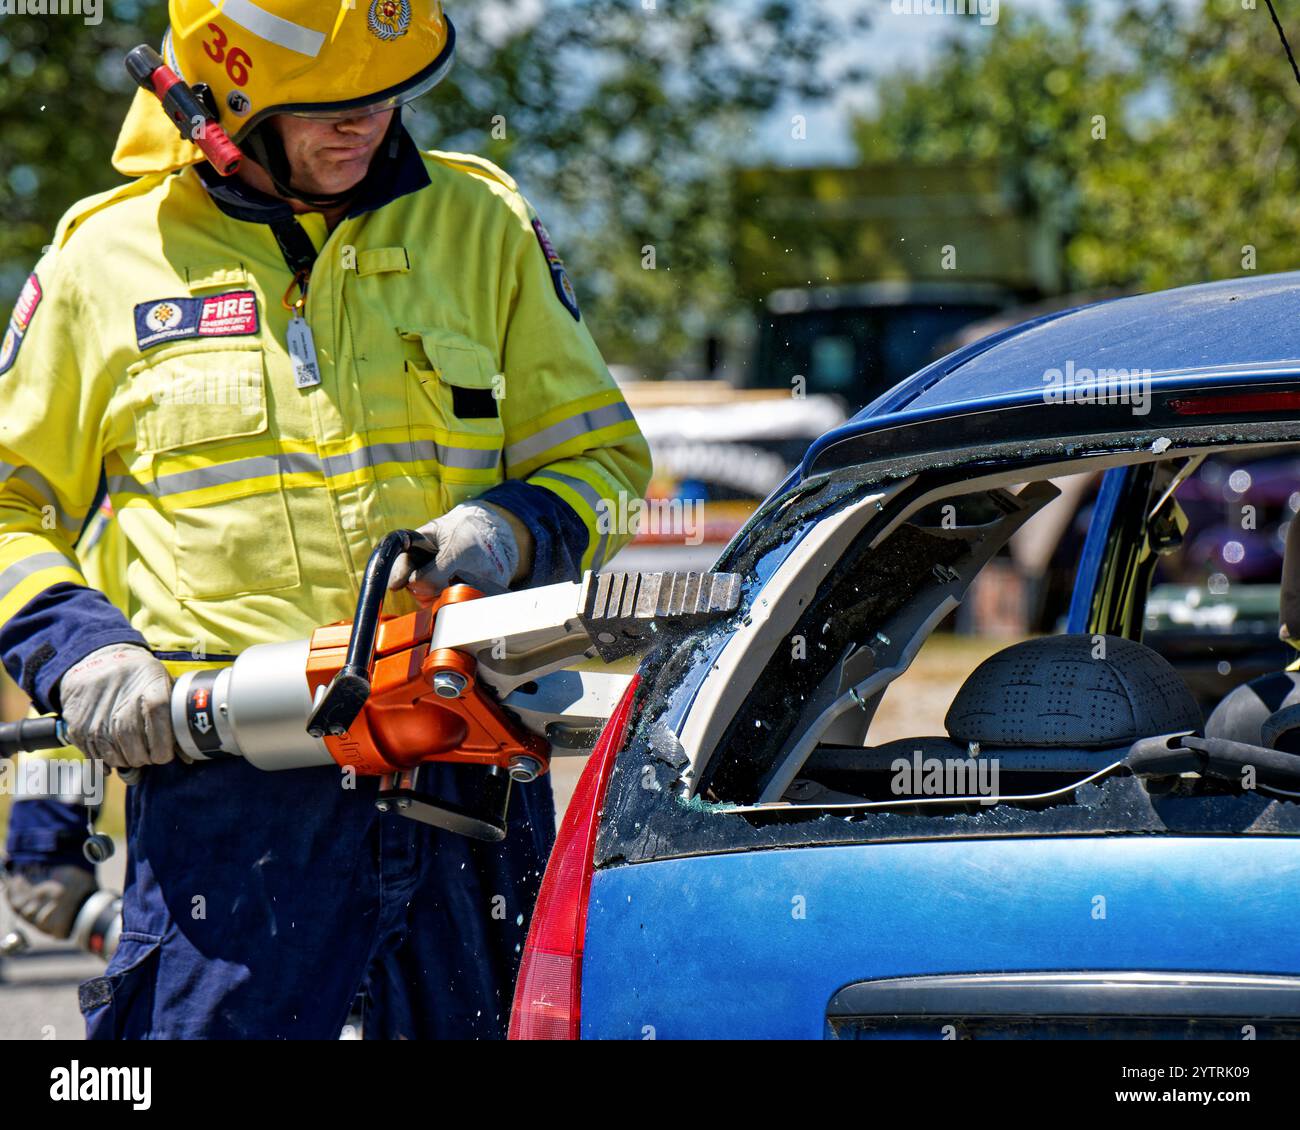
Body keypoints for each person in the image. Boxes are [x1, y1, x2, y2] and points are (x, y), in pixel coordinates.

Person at [0, 0, 650, 1038]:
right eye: (328, 106)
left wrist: (506, 531)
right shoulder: (104, 264)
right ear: (215, 110)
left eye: (384, 91)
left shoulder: (478, 226)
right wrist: (80, 652)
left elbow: (604, 463)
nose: (369, 121)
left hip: (466, 784)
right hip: (232, 808)